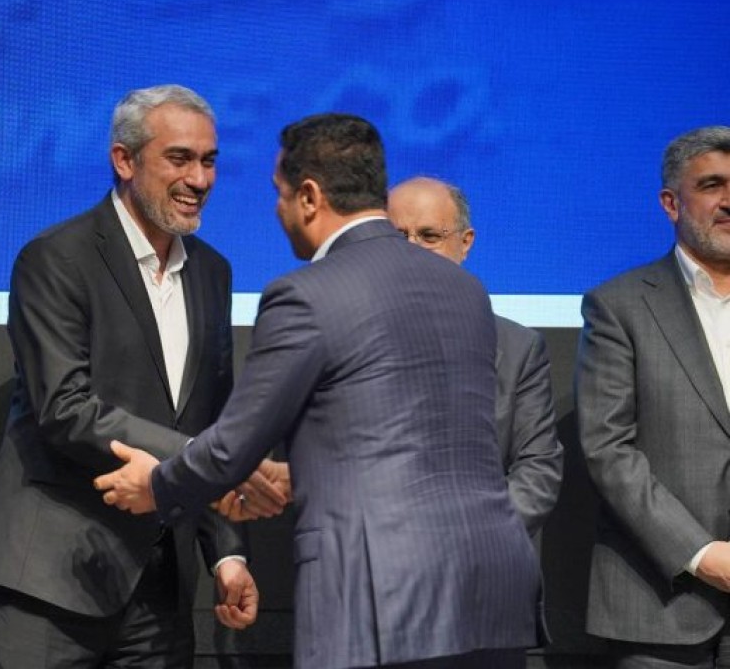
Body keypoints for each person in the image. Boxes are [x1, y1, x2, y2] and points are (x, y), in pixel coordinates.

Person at [95, 113, 542, 668]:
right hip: (492, 589)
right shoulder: (466, 290)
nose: (277, 211)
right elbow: (415, 442)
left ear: (309, 197)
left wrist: (157, 485)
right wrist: (305, 474)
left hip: (381, 596)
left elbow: (233, 445)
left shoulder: (305, 295)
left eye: (279, 195)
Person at [0, 85, 269, 668]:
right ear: (124, 160)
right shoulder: (56, 258)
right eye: (179, 158)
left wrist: (227, 555)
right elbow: (65, 408)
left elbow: (214, 418)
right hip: (51, 581)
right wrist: (202, 461)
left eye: (209, 161)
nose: (199, 179)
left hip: (160, 592)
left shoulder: (212, 272)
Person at [577, 125, 730, 668]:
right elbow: (608, 448)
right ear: (671, 203)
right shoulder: (619, 305)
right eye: (712, 185)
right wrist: (701, 553)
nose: (729, 200)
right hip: (662, 606)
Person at [388, 176, 563, 536]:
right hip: (372, 552)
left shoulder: (517, 349)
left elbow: (537, 471)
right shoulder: (342, 336)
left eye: (429, 236)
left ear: (465, 243)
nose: (411, 250)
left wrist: (470, 539)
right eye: (397, 237)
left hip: (481, 551)